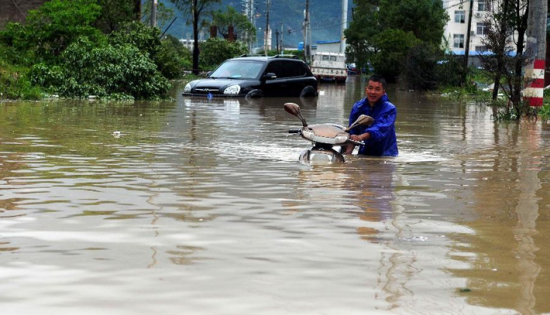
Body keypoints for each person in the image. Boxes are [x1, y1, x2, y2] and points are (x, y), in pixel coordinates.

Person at [344, 74, 398, 156]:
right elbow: (353, 130)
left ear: (383, 92)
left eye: (377, 89)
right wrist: (348, 153)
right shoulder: (358, 107)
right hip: (364, 153)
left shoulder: (390, 109)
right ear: (366, 89)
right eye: (370, 88)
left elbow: (380, 129)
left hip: (386, 155)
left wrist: (361, 137)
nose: (373, 92)